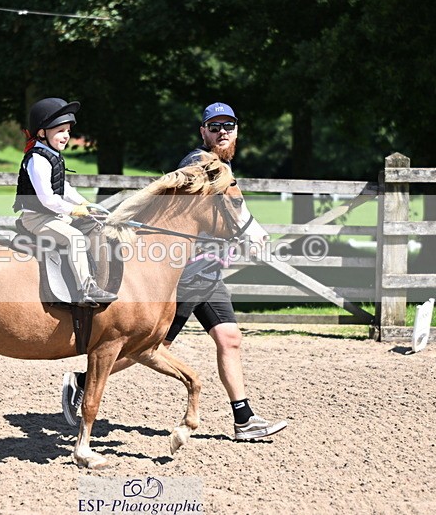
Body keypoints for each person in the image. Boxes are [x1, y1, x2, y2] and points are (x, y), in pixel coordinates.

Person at [62, 102, 287, 440]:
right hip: (183, 275)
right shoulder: (198, 164)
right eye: (215, 127)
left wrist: (247, 234)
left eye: (229, 126)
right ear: (203, 132)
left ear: (237, 130)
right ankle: (82, 381)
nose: (222, 132)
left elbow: (231, 209)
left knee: (229, 338)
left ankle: (244, 419)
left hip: (208, 272)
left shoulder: (223, 170)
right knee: (146, 347)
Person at [13, 97, 117, 305]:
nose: (66, 136)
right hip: (37, 219)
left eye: (68, 131)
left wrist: (87, 205)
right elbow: (48, 199)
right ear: (42, 132)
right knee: (76, 239)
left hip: (54, 215)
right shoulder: (38, 159)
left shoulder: (53, 155)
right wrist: (76, 211)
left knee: (94, 226)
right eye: (60, 131)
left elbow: (64, 188)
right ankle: (86, 289)